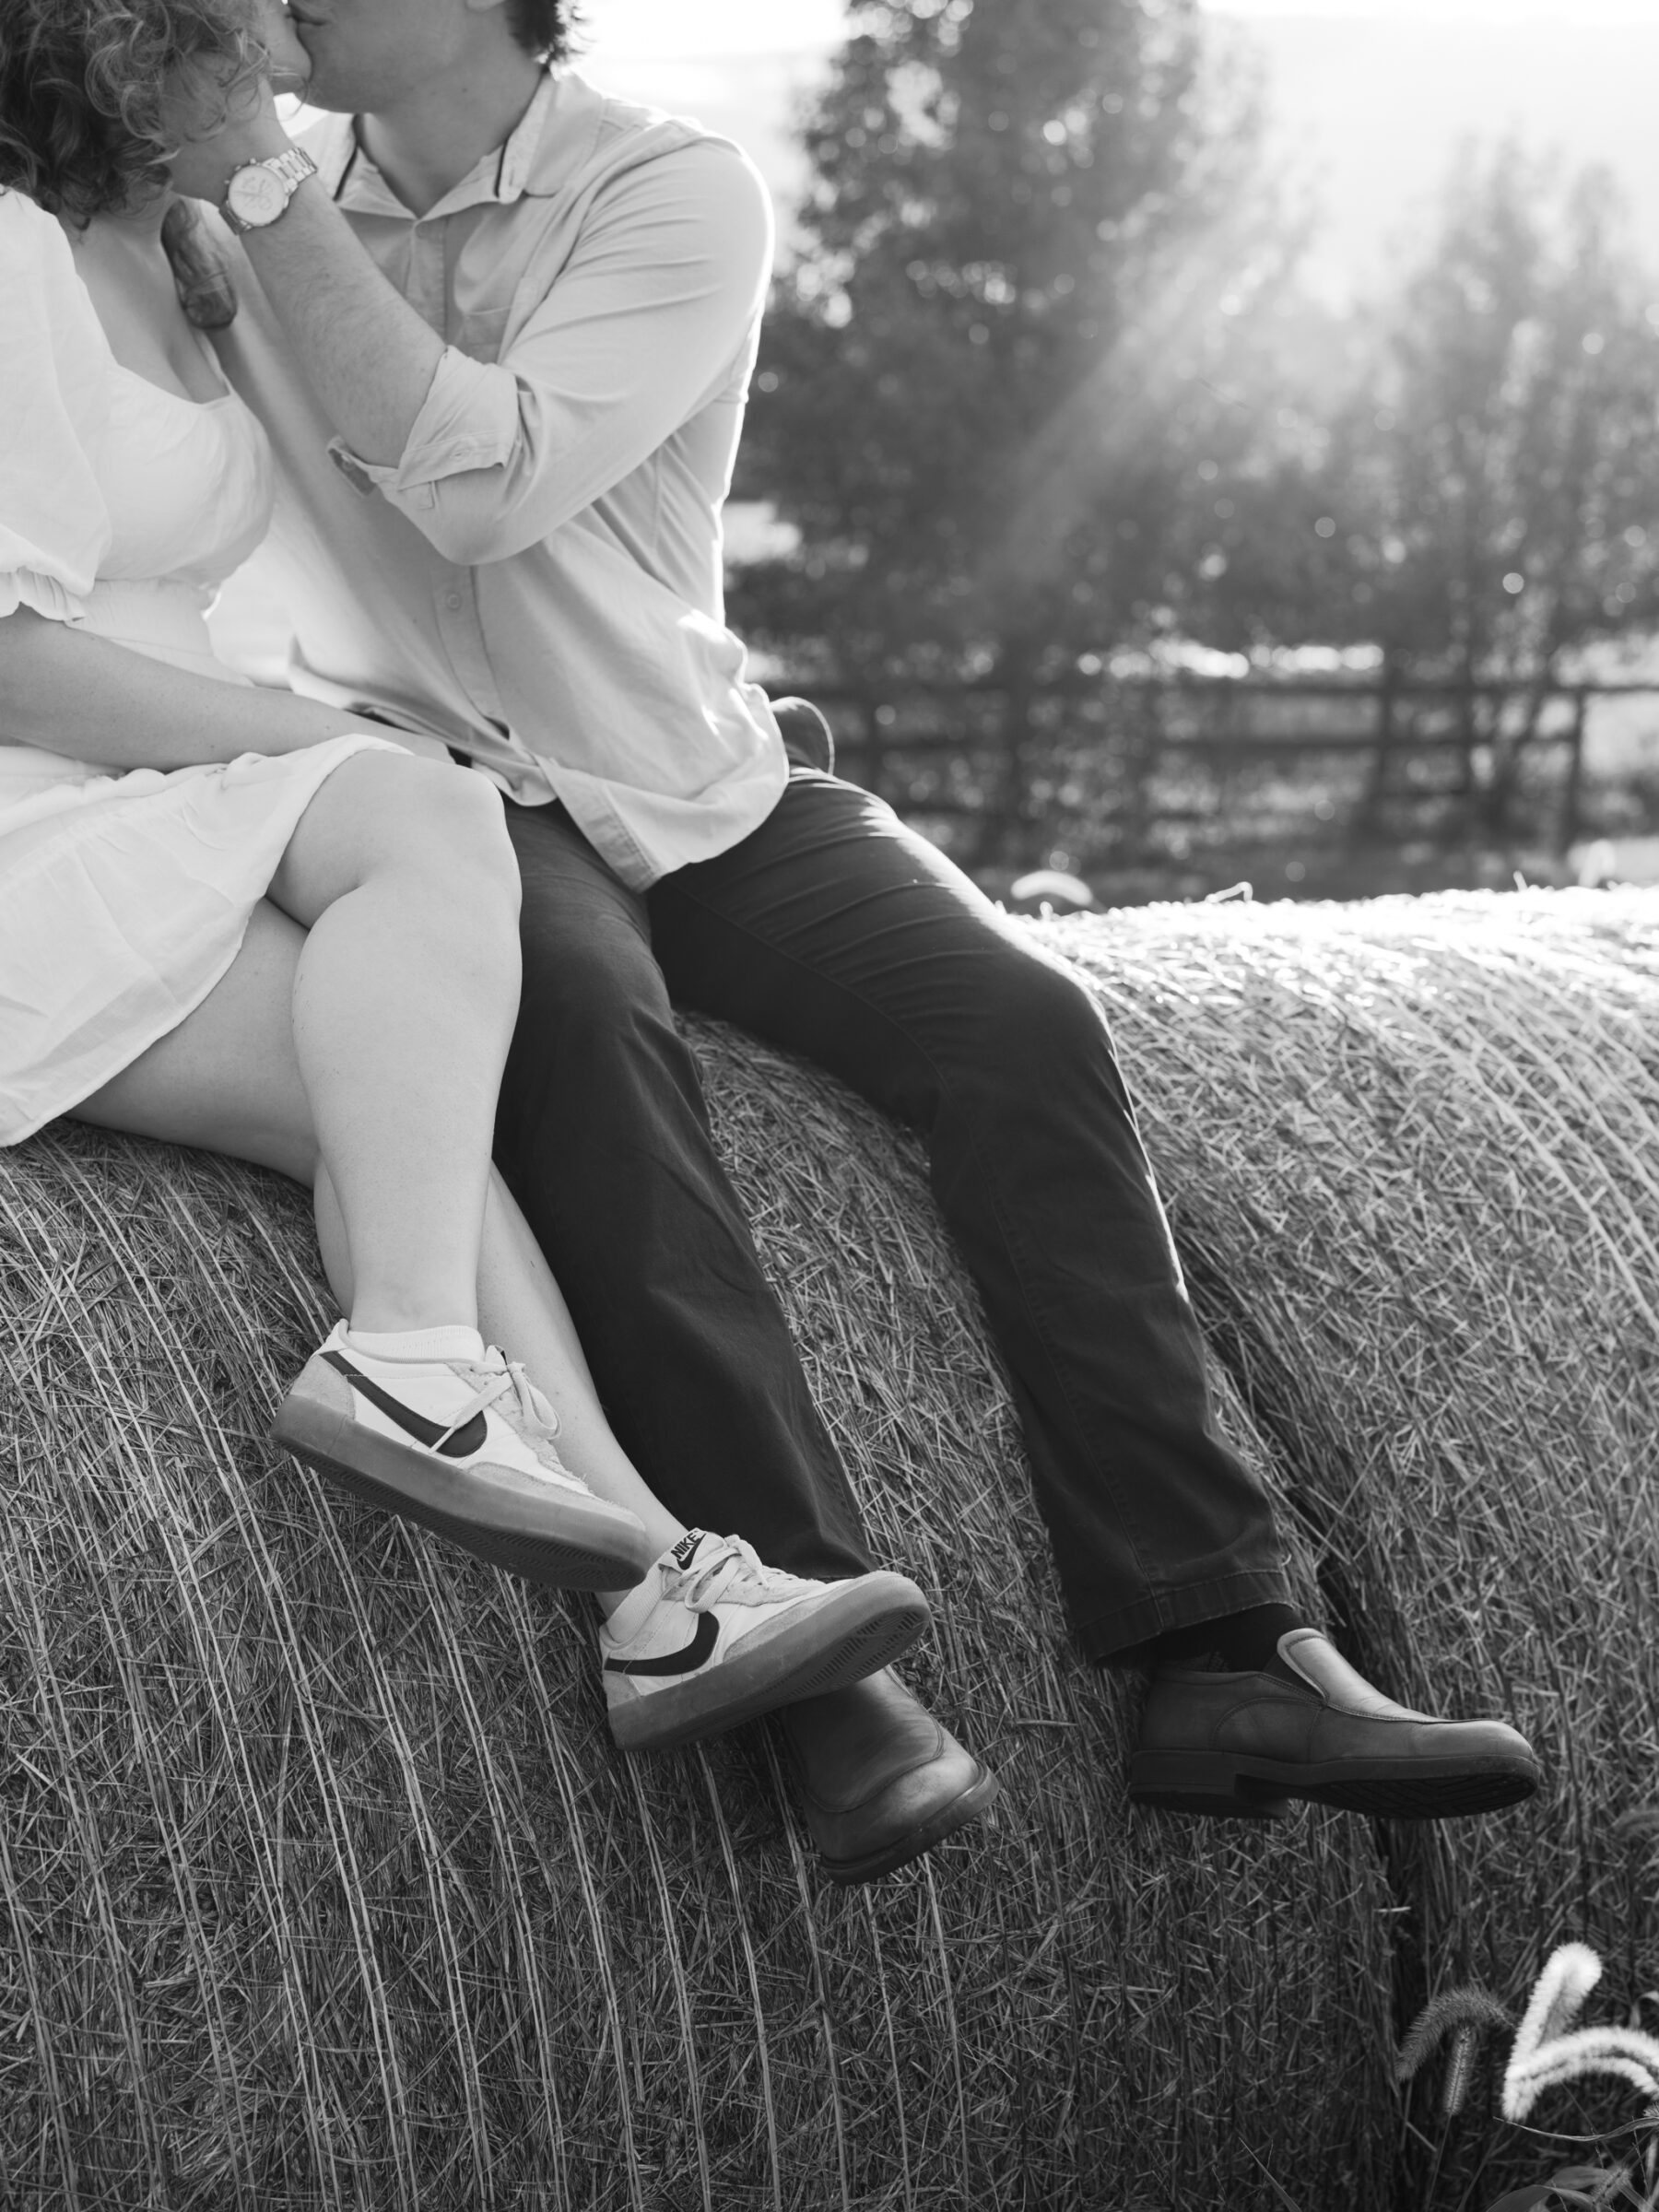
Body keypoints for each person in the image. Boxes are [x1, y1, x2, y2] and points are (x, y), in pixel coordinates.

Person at [190, 0, 1540, 1880]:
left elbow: (484, 479)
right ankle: (813, 1656)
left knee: (1023, 1022)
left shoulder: (662, 191)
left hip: (689, 780)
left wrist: (255, 187)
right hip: (446, 797)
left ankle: (1227, 1643)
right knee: (584, 1045)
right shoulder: (238, 206)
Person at [0, 0, 940, 1778]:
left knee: (411, 1134)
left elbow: (442, 468)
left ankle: (661, 1588)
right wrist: (298, 743)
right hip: (37, 812)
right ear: (138, 47)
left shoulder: (193, 252)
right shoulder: (8, 250)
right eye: (252, 19)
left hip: (134, 815)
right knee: (426, 825)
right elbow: (11, 657)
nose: (294, 37)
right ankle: (415, 1356)